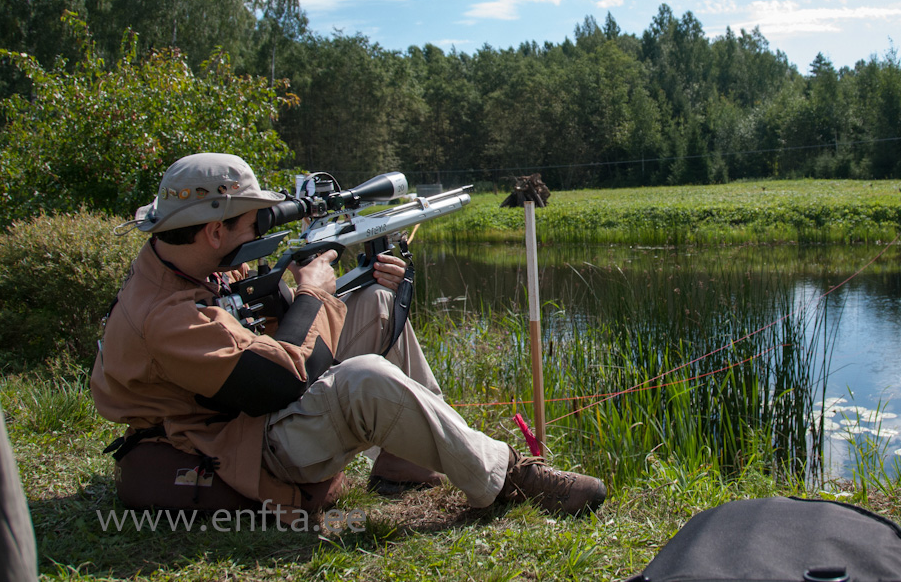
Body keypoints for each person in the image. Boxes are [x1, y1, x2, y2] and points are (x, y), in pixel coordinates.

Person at [90, 153, 606, 521]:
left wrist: (354, 281)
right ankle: (509, 478)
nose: (259, 234)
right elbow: (283, 382)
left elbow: (261, 329)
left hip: (242, 407)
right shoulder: (165, 316)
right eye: (253, 223)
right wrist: (313, 292)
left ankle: (406, 462)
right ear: (214, 231)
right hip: (230, 441)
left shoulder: (196, 264)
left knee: (376, 303)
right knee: (364, 379)